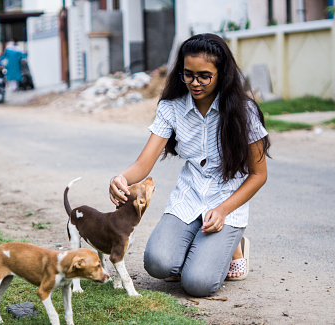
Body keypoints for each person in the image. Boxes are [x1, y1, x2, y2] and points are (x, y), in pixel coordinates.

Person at [108, 33, 270, 297]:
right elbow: (143, 163)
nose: (195, 83)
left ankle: (234, 244)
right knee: (158, 264)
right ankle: (204, 245)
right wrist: (121, 178)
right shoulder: (171, 108)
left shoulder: (244, 111)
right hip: (189, 197)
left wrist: (223, 210)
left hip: (226, 203)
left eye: (204, 75)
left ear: (222, 74)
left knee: (198, 284)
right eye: (188, 74)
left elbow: (258, 174)